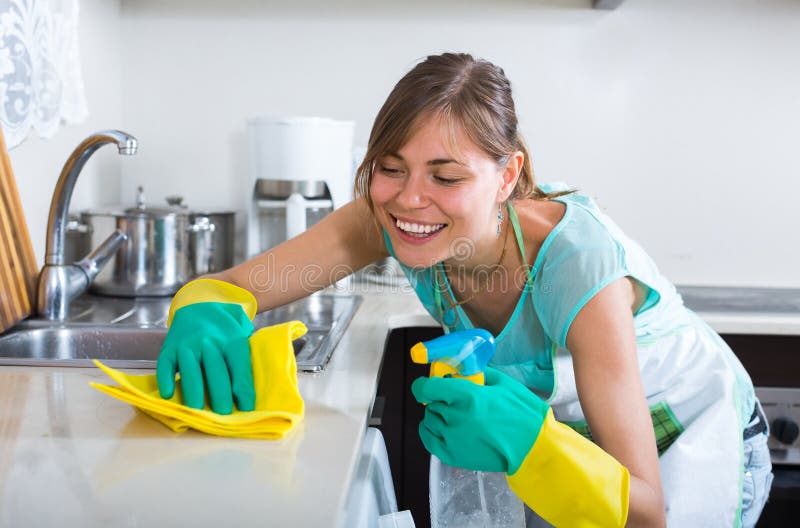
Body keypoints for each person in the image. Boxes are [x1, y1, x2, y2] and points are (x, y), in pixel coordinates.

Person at [155, 52, 773, 527]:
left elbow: (645, 510)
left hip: (688, 432)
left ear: (507, 176)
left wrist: (531, 445)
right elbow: (238, 287)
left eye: (445, 176)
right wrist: (205, 308)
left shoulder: (577, 267)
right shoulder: (383, 220)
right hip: (580, 448)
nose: (408, 199)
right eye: (389, 168)